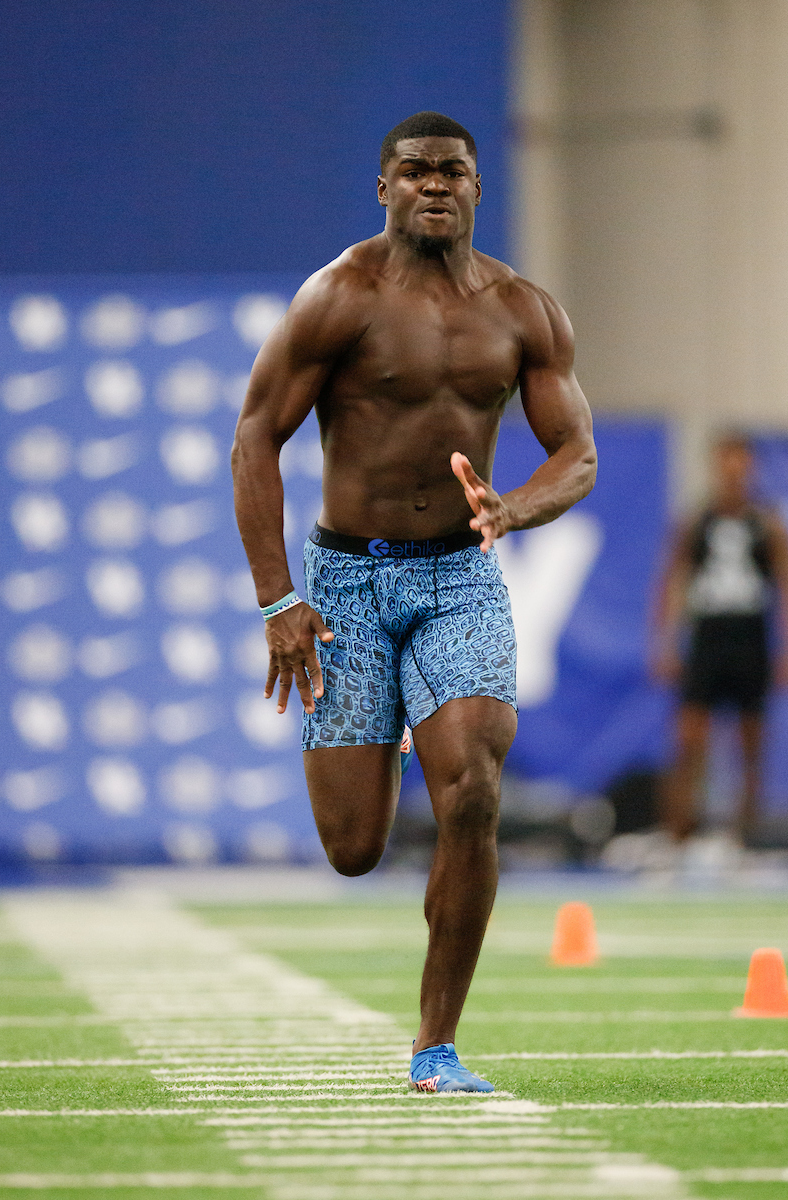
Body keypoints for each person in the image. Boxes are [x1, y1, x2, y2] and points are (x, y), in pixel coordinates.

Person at [231, 112, 596, 1093]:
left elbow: (578, 454)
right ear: (383, 188)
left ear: (479, 188)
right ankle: (390, 719)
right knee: (354, 850)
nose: (435, 184)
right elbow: (256, 434)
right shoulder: (338, 297)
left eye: (454, 172)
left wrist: (513, 507)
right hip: (348, 578)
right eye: (414, 171)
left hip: (458, 577)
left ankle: (437, 1046)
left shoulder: (525, 312)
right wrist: (277, 600)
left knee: (473, 790)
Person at [653, 434, 788, 864]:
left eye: (742, 463)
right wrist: (665, 641)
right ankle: (677, 836)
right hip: (708, 638)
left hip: (751, 638)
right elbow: (673, 579)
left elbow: (787, 584)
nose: (734, 471)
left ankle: (743, 837)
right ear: (717, 466)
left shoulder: (768, 522)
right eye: (727, 462)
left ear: (751, 467)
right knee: (689, 739)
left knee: (751, 743)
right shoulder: (697, 520)